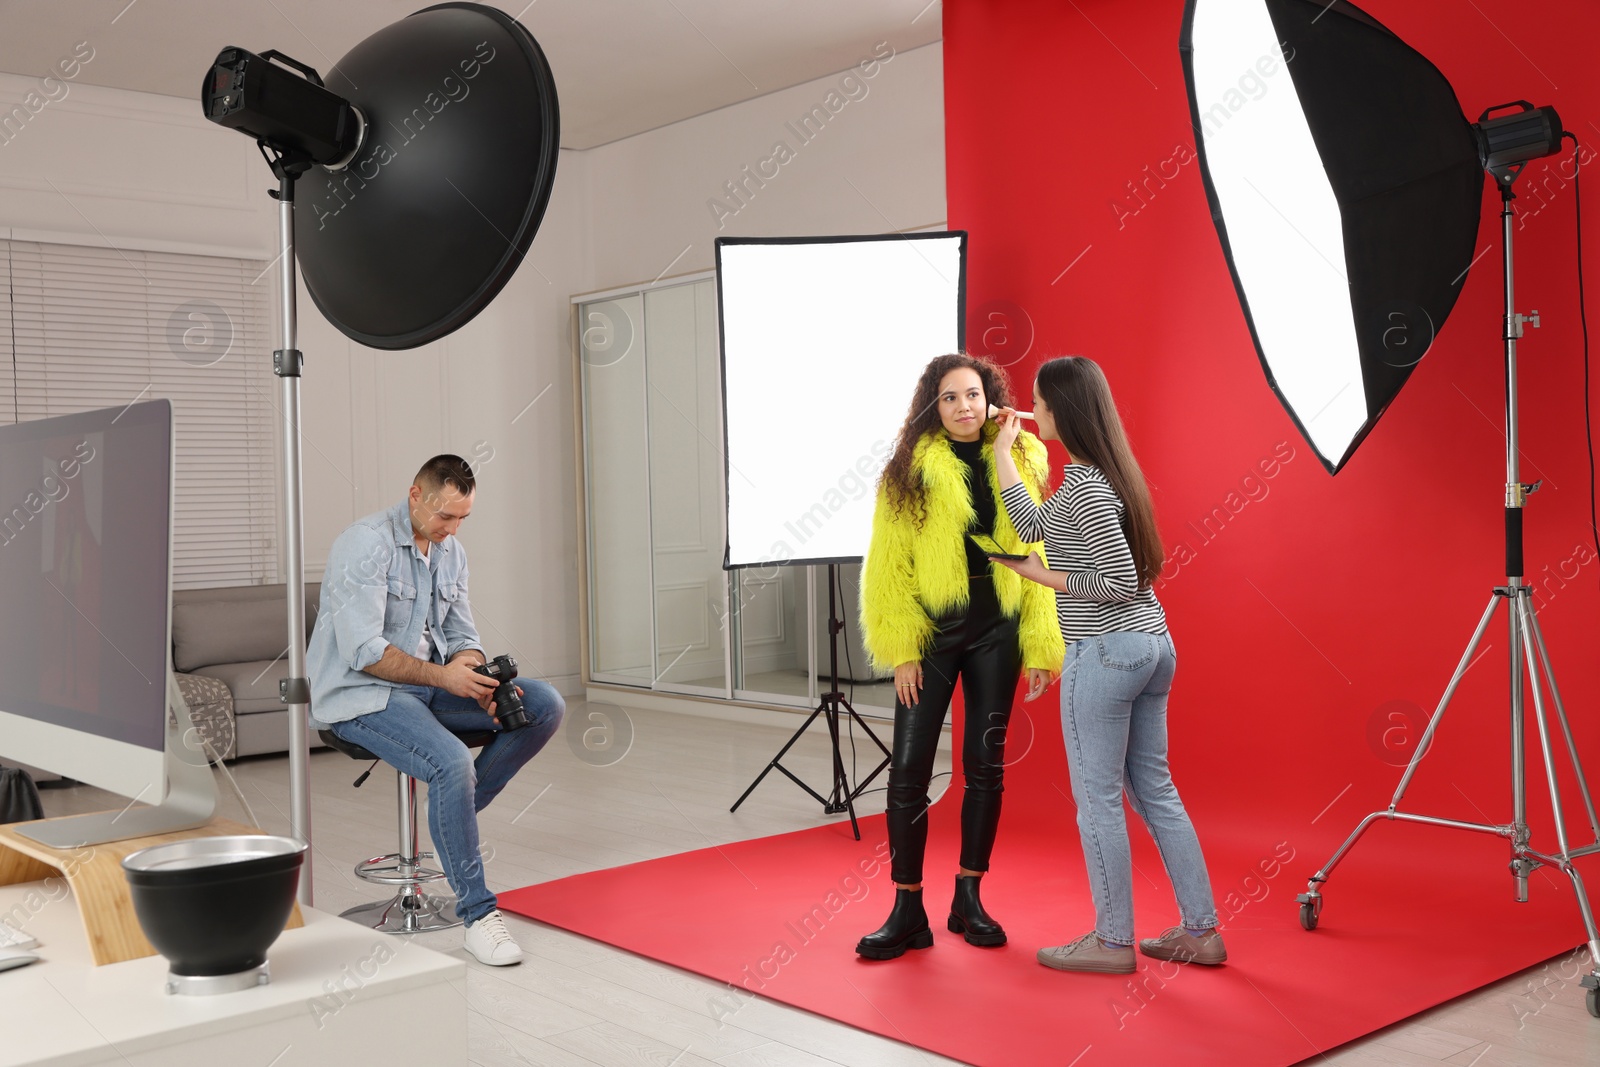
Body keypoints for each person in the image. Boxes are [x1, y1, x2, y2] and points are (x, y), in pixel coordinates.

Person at [990, 356, 1224, 975]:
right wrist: (1030, 566)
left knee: (1096, 800)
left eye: (1038, 403)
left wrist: (1002, 458)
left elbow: (1114, 579)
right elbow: (1038, 526)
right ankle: (1201, 932)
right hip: (1152, 646)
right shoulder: (1102, 477)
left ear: (1063, 410)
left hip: (1107, 652)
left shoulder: (1087, 485)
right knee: (1156, 791)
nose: (1031, 411)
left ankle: (1113, 941)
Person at [307, 454, 565, 966]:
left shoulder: (451, 551)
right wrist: (444, 676)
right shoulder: (365, 544)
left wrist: (472, 673)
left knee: (543, 703)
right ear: (415, 495)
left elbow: (460, 635)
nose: (452, 529)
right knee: (449, 763)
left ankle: (454, 817)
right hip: (361, 695)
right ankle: (477, 916)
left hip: (424, 688)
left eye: (463, 518)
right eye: (445, 516)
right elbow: (364, 652)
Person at [855, 353, 1064, 960]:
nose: (964, 407)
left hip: (998, 628)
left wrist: (1041, 642)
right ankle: (907, 906)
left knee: (985, 766)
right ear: (933, 406)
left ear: (991, 398)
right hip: (932, 634)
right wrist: (900, 648)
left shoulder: (1024, 455)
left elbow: (1039, 550)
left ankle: (968, 897)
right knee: (909, 770)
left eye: (973, 394)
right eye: (949, 398)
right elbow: (886, 567)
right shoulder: (907, 471)